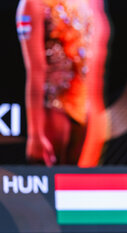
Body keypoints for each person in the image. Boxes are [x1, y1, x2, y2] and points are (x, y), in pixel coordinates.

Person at [16, 0, 109, 165]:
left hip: (81, 108)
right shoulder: (34, 4)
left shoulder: (83, 3)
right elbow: (36, 70)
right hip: (54, 106)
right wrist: (35, 134)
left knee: (73, 182)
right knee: (51, 178)